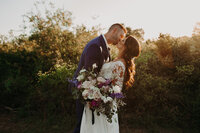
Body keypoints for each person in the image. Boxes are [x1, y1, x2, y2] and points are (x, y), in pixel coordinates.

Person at [72, 23, 127, 133]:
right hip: (85, 93)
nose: (121, 40)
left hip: (96, 95)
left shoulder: (105, 47)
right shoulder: (96, 45)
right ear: (114, 30)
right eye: (121, 36)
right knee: (82, 126)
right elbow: (89, 74)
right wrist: (92, 95)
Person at [80, 35, 141, 133]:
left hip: (103, 104)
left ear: (126, 47)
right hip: (96, 100)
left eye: (124, 40)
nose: (120, 40)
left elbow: (116, 88)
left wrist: (98, 96)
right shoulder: (115, 60)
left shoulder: (120, 65)